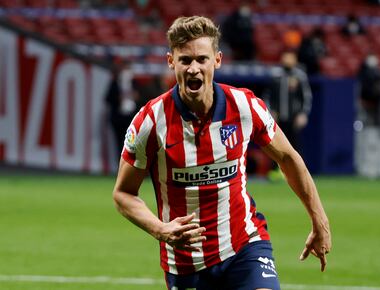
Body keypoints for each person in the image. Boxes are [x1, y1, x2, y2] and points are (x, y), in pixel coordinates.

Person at [112, 16, 331, 290]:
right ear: (171, 62)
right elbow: (123, 193)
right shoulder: (151, 121)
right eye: (185, 60)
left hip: (244, 245)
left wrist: (318, 220)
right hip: (185, 261)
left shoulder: (245, 106)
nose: (194, 69)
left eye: (202, 59)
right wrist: (160, 229)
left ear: (217, 60)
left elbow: (287, 158)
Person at [262, 50, 313, 153]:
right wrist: (269, 113)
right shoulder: (275, 75)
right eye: (286, 57)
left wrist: (303, 114)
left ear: (295, 60)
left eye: (290, 58)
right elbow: (267, 95)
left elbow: (306, 97)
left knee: (294, 145)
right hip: (277, 117)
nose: (288, 60)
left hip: (293, 118)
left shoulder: (300, 76)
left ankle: (294, 169)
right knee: (275, 145)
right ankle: (276, 169)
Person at [357, 53, 380, 125]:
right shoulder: (363, 72)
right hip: (365, 94)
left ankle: (378, 120)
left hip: (374, 96)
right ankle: (377, 120)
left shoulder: (378, 72)